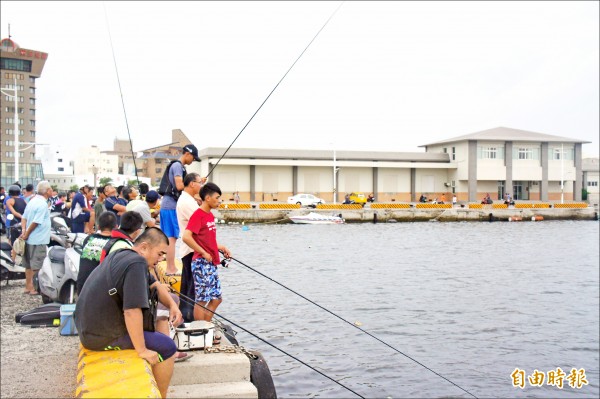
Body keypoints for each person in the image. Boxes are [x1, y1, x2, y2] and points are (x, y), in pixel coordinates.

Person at [74, 227, 183, 399]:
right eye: (160, 254)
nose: (161, 259)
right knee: (168, 347)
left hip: (88, 327)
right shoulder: (136, 264)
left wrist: (172, 306)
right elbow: (132, 310)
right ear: (145, 247)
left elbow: (154, 285)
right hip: (100, 336)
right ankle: (161, 395)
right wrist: (142, 350)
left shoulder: (124, 253)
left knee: (156, 334)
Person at [182, 182, 231, 333]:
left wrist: (220, 247)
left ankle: (206, 327)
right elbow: (186, 237)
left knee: (216, 298)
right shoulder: (198, 215)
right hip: (201, 263)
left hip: (211, 263)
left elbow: (207, 239)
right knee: (202, 299)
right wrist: (202, 252)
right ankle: (200, 331)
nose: (219, 201)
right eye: (217, 198)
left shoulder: (209, 215)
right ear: (208, 198)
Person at [159, 144, 201, 275]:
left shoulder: (178, 166)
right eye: (193, 157)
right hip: (171, 205)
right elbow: (178, 186)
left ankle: (170, 266)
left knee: (170, 237)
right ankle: (171, 268)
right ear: (187, 154)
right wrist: (192, 185)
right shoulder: (177, 166)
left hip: (167, 205)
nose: (193, 160)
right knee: (172, 238)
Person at [175, 173, 205, 322]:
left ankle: (185, 318)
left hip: (190, 249)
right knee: (192, 288)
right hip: (191, 249)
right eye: (199, 182)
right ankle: (189, 319)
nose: (201, 185)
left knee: (188, 286)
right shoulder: (186, 202)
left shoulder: (188, 200)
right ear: (192, 184)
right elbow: (201, 222)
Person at [20, 181, 52, 295]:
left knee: (28, 264)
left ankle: (28, 286)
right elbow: (36, 222)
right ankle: (34, 288)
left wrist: (24, 231)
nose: (52, 191)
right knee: (37, 265)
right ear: (47, 191)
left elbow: (24, 218)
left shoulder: (32, 201)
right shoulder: (43, 204)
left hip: (29, 239)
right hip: (38, 238)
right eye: (51, 189)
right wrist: (27, 233)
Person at [76, 211, 118, 294]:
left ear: (98, 227)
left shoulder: (88, 239)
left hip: (82, 288)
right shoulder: (115, 243)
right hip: (99, 291)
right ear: (116, 227)